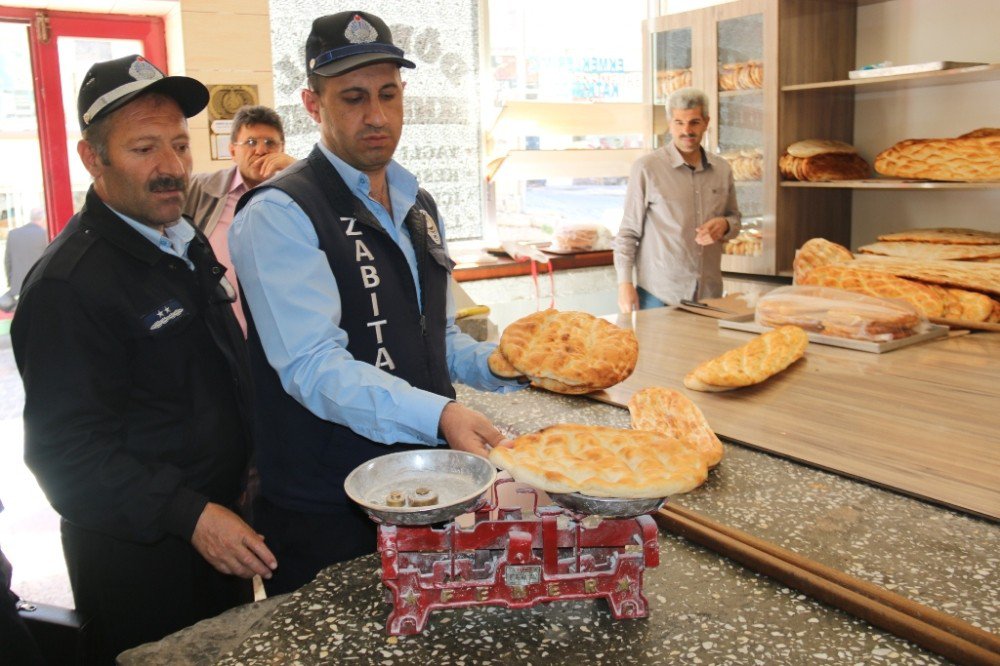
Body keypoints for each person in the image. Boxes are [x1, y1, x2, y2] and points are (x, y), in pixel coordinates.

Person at [229, 11, 523, 595]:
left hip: (430, 483)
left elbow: (431, 336)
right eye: (353, 98)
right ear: (313, 105)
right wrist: (439, 415)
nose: (377, 117)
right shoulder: (281, 213)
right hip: (327, 503)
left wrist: (498, 362)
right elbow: (313, 366)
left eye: (388, 94)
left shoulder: (419, 206)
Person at [10, 54, 276, 664]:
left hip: (220, 531)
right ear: (92, 158)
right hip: (142, 558)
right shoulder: (69, 287)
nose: (172, 168)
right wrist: (191, 516)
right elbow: (65, 455)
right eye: (144, 148)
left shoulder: (180, 241)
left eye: (179, 145)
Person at [614, 87, 741, 312]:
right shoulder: (647, 168)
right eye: (679, 122)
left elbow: (735, 219)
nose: (686, 130)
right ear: (669, 124)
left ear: (706, 122)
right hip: (659, 294)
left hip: (709, 295)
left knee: (706, 349)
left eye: (694, 122)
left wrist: (725, 225)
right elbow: (627, 233)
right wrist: (624, 284)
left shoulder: (722, 169)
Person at [184, 105, 295, 333]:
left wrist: (296, 171)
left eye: (270, 143)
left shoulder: (296, 194)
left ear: (282, 149)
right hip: (218, 333)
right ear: (233, 151)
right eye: (251, 143)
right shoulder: (202, 190)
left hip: (280, 333)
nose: (261, 151)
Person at [0, 208, 48, 312]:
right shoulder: (45, 235)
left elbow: (7, 263)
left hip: (18, 289)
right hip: (41, 289)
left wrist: (12, 283)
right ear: (43, 219)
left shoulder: (13, 234)